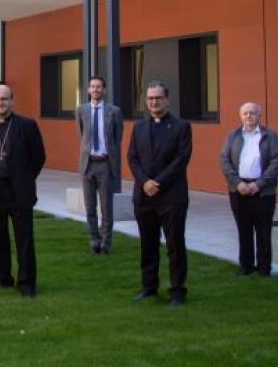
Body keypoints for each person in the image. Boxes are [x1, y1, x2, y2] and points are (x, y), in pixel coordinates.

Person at [0, 84, 46, 297]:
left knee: (24, 240)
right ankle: (3, 279)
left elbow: (38, 157)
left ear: (12, 101)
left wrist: (23, 177)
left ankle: (26, 283)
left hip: (19, 191)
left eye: (3, 99)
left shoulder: (27, 125)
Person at [127, 80, 193, 306]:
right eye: (150, 98)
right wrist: (145, 182)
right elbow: (132, 158)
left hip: (172, 197)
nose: (154, 102)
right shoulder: (139, 127)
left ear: (167, 99)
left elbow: (181, 159)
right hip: (144, 197)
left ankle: (177, 290)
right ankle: (149, 287)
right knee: (148, 244)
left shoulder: (181, 127)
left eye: (158, 98)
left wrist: (158, 183)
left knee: (175, 245)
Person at [219, 101, 278, 276]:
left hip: (263, 192)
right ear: (241, 116)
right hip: (238, 190)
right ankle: (246, 267)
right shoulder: (232, 136)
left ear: (259, 116)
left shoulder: (270, 136)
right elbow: (224, 160)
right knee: (244, 230)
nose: (249, 116)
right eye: (245, 113)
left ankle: (264, 269)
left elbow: (277, 162)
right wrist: (237, 183)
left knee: (263, 231)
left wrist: (258, 184)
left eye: (252, 113)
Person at [76, 75, 123, 255]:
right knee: (89, 207)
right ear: (88, 90)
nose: (95, 90)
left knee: (106, 207)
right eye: (92, 87)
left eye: (99, 87)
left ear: (104, 90)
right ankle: (94, 240)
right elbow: (82, 135)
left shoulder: (114, 111)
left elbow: (117, 139)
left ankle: (106, 243)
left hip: (105, 164)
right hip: (88, 164)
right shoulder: (81, 110)